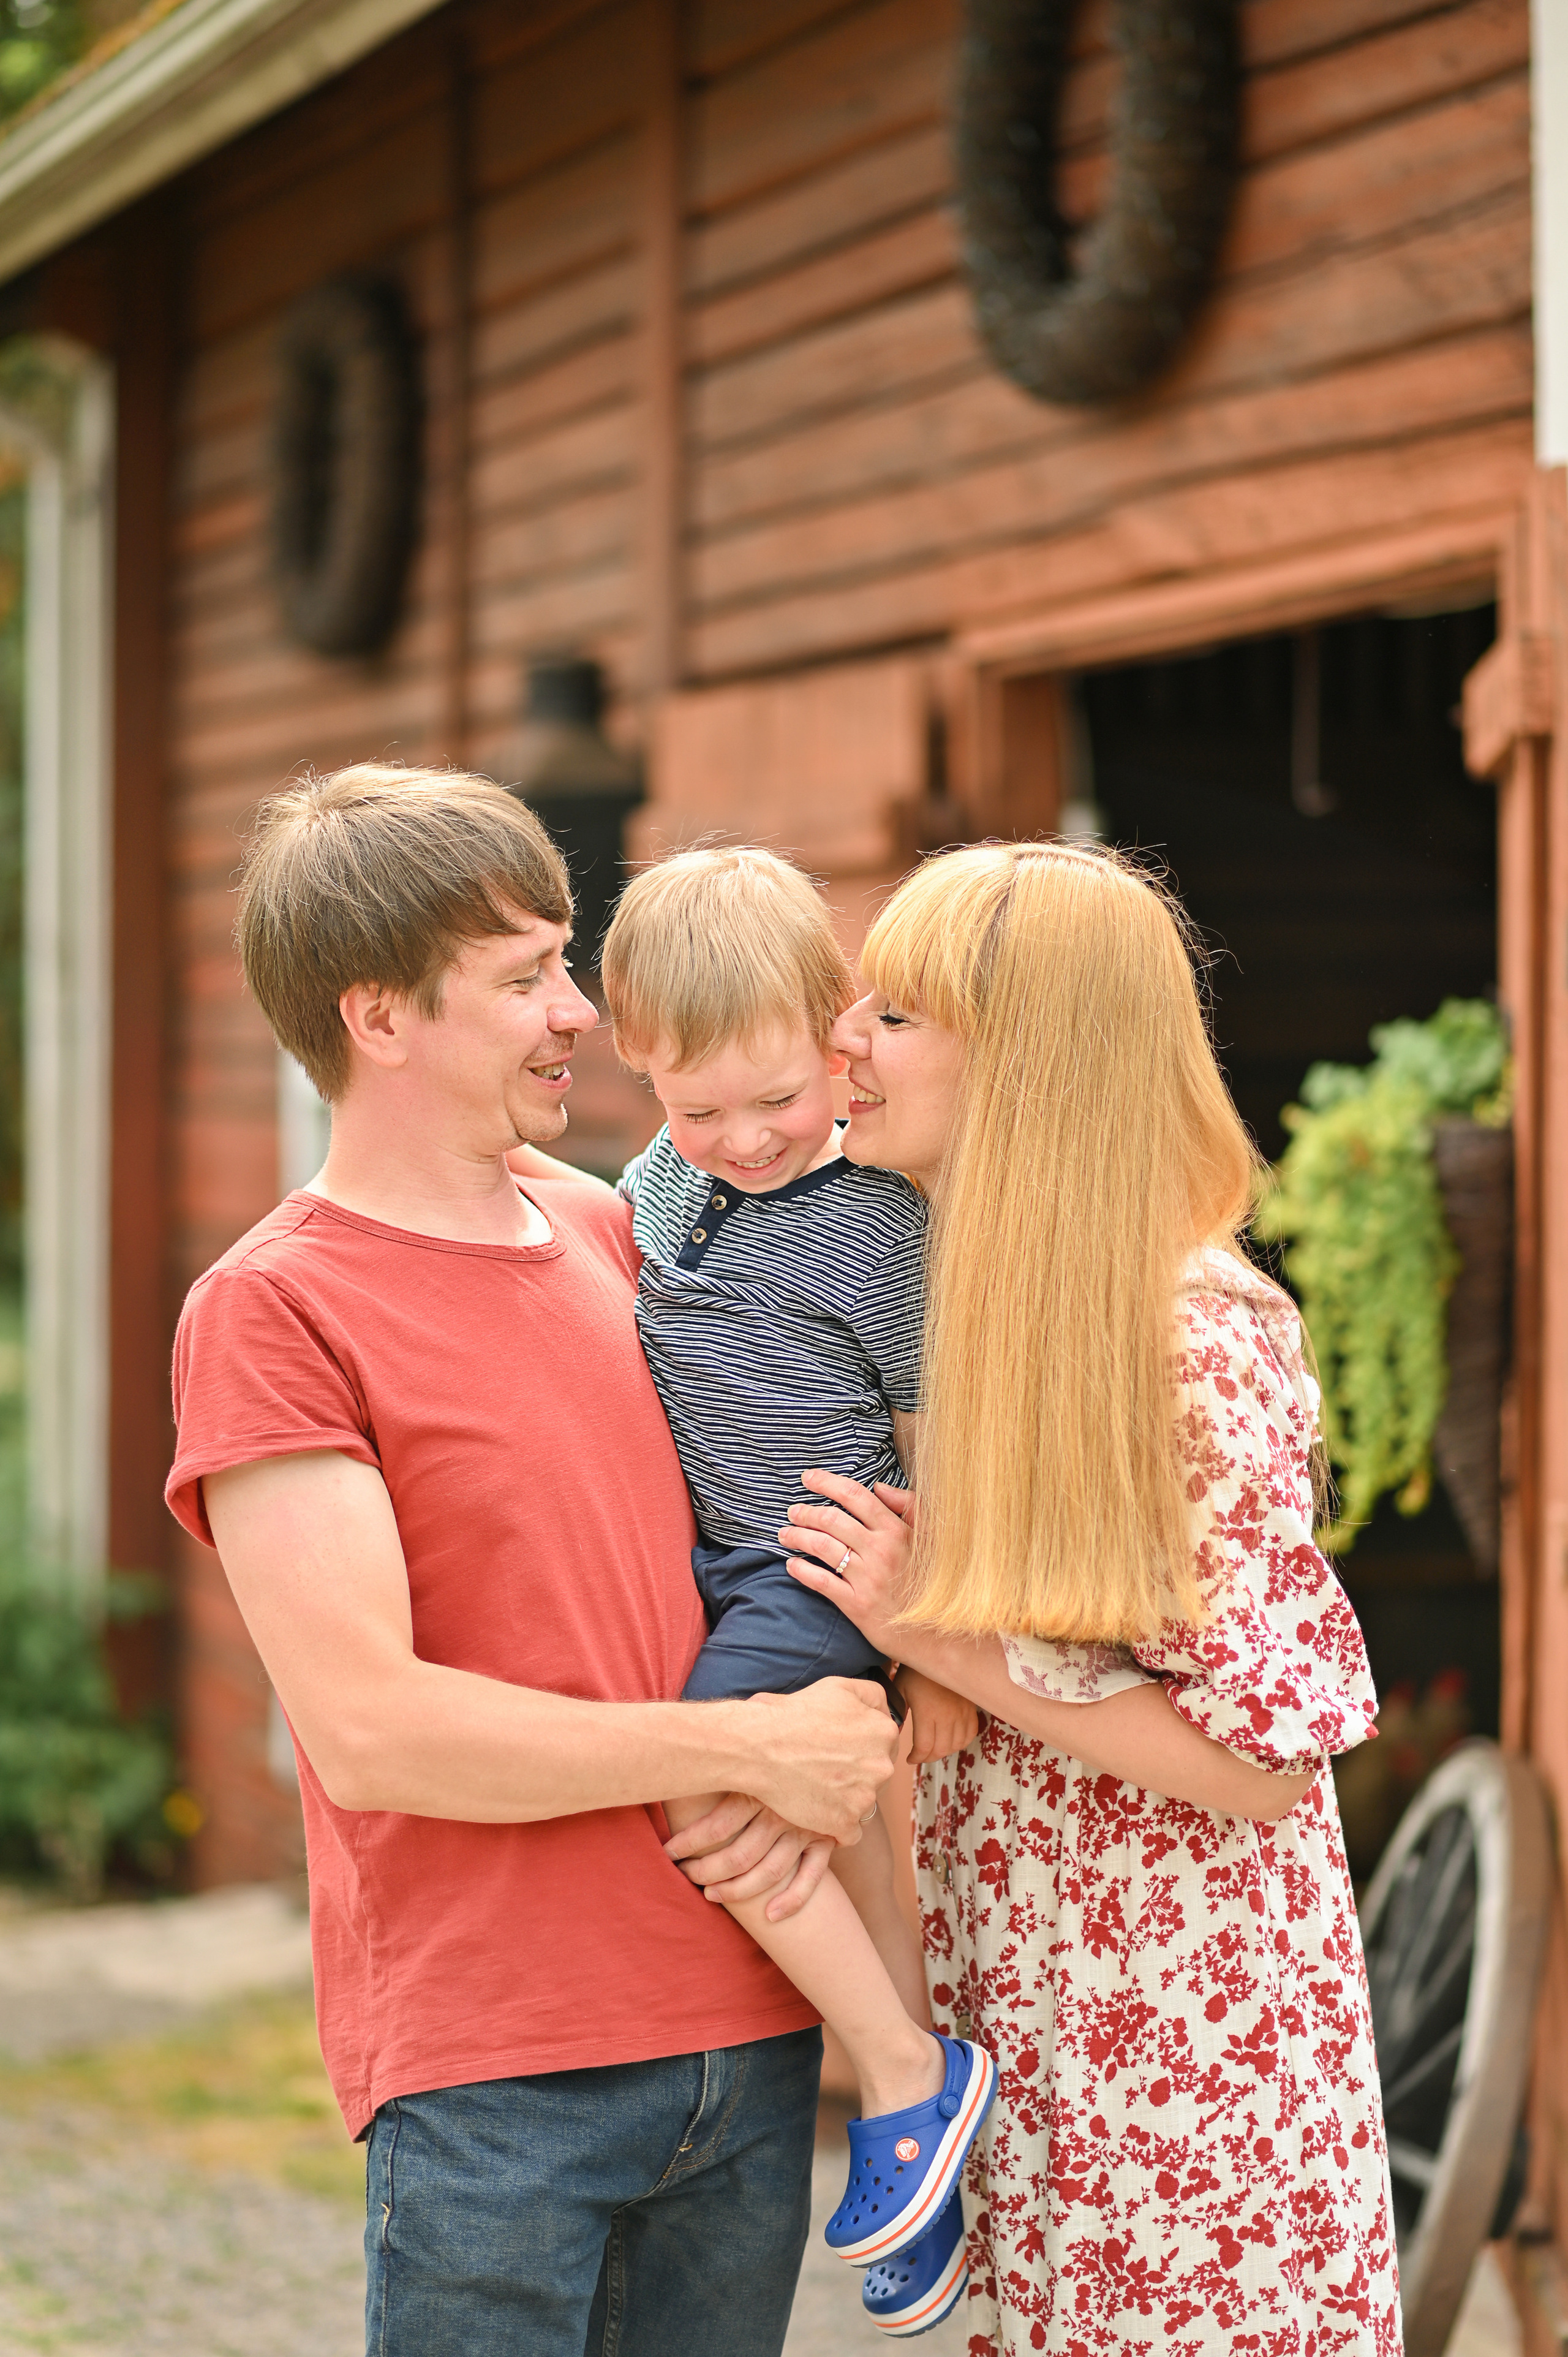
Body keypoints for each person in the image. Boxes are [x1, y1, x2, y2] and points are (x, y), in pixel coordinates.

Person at [162, 765, 902, 2357]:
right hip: (506, 2073)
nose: (581, 1012)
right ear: (380, 1018)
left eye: (566, 961)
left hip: (754, 2042)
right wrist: (751, 1746)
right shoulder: (275, 1312)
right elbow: (374, 1729)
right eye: (524, 979)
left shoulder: (637, 1232)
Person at [778, 841, 1401, 2356]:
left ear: (1030, 1061)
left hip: (1194, 2064)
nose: (842, 1042)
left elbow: (1258, 1765)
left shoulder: (1186, 1332)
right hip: (1061, 2027)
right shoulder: (996, 1305)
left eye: (896, 1016)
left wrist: (931, 1632)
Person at [589, 846, 994, 2310]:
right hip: (709, 1564)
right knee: (840, 1838)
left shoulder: (881, 1219)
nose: (746, 1137)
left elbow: (925, 1434)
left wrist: (931, 1649)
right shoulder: (651, 1178)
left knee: (706, 1791)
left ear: (838, 1032)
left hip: (815, 1554)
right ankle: (935, 2140)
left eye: (779, 1099)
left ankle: (895, 2076)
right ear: (638, 1064)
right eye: (696, 1108)